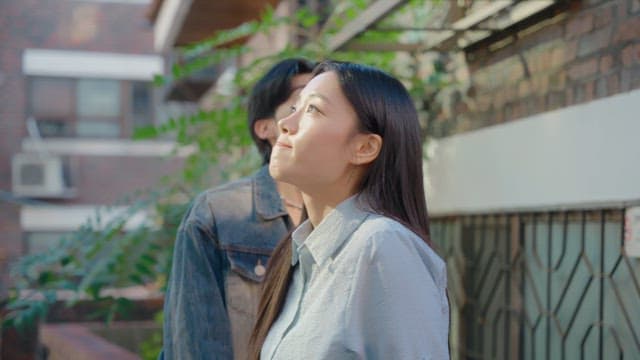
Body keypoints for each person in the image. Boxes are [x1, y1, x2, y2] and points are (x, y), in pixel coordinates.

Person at [248, 61, 450, 359]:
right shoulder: (302, 255)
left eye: (313, 109)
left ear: (365, 148)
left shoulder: (382, 246)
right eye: (294, 108)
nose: (286, 124)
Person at [161, 58, 315, 360]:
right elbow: (192, 343)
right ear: (266, 127)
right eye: (301, 102)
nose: (311, 115)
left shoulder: (348, 214)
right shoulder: (217, 214)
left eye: (321, 106)